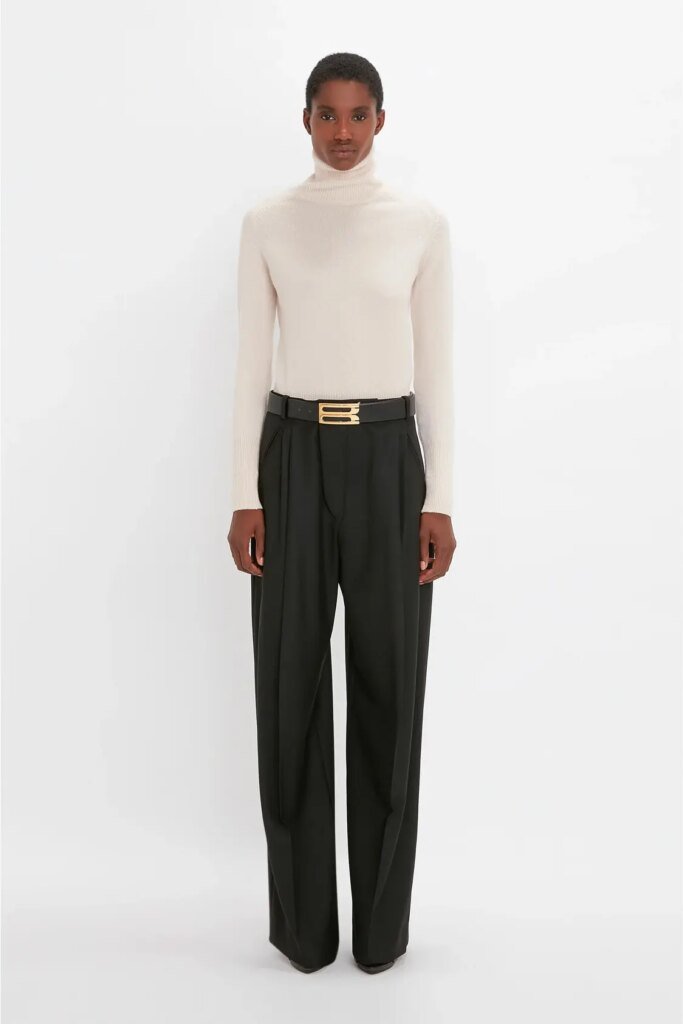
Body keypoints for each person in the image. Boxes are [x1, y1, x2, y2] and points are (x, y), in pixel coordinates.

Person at [227, 51, 457, 974]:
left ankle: (382, 934)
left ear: (381, 121)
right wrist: (243, 493)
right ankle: (304, 930)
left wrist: (441, 498)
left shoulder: (418, 225)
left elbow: (437, 366)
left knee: (388, 689)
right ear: (306, 120)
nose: (343, 132)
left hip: (388, 458)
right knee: (288, 688)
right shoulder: (268, 222)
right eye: (328, 114)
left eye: (359, 115)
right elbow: (250, 362)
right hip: (290, 456)